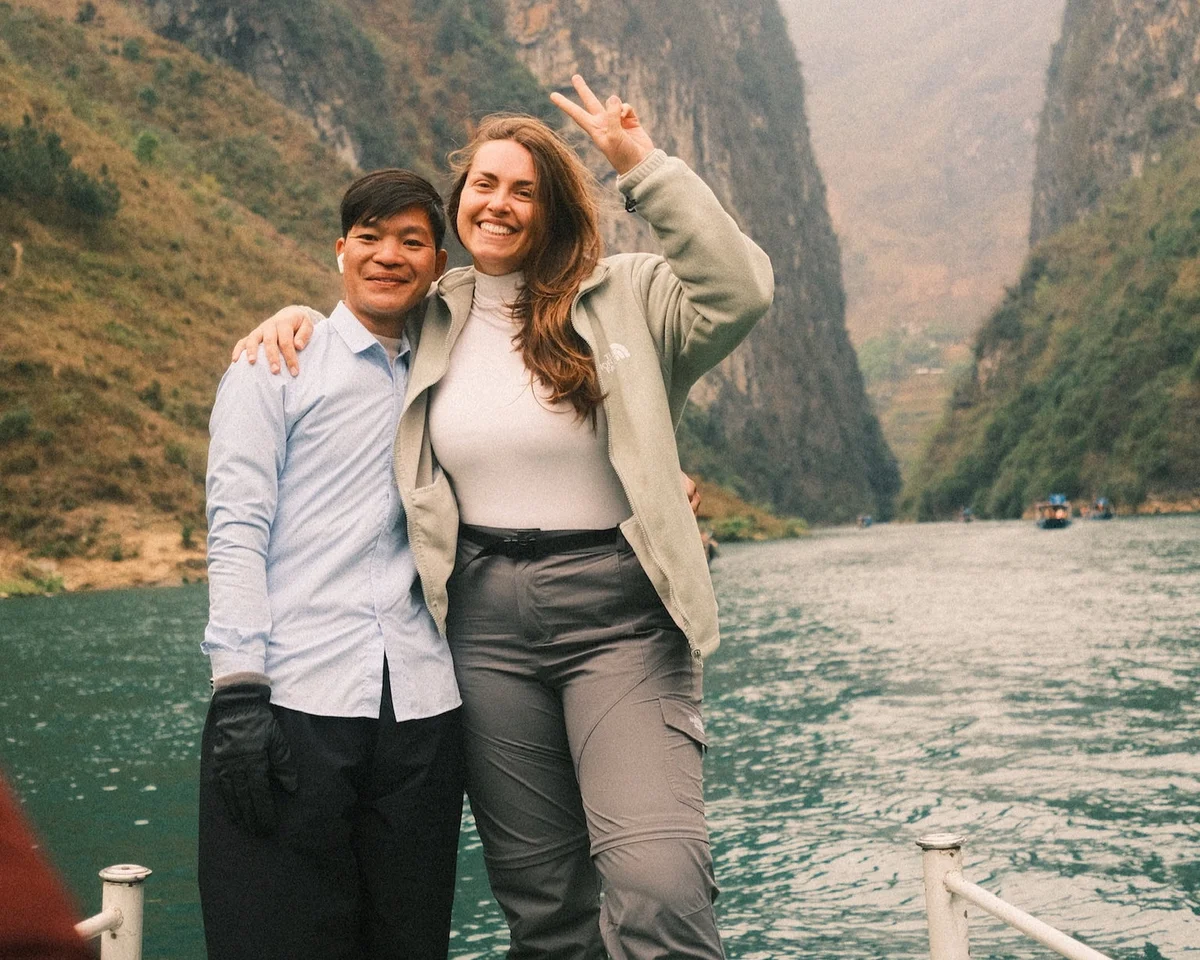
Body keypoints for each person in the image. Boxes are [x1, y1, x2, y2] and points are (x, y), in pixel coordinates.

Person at [237, 74, 774, 960]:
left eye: (524, 188)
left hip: (621, 616)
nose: (499, 202)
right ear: (459, 202)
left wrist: (643, 165)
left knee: (658, 881)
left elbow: (740, 291)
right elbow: (359, 315)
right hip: (480, 624)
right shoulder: (431, 314)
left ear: (552, 209)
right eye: (484, 183)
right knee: (544, 902)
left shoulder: (629, 293)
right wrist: (297, 316)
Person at [200, 169, 465, 960]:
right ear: (340, 251)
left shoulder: (449, 370)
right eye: (371, 237)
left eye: (411, 240)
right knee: (274, 937)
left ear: (436, 259)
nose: (389, 255)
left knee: (408, 940)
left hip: (422, 709)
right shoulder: (275, 365)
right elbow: (236, 526)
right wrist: (239, 693)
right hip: (293, 700)